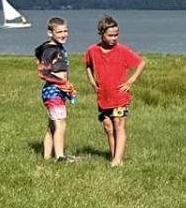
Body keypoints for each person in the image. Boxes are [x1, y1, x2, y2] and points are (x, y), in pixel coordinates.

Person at [83, 15, 146, 166]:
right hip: (103, 97)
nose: (114, 38)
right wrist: (92, 81)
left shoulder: (122, 50)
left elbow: (141, 63)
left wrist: (130, 81)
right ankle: (114, 156)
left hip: (119, 97)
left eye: (116, 35)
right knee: (108, 127)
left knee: (118, 124)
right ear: (101, 34)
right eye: (110, 35)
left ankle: (118, 159)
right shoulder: (92, 50)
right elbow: (88, 65)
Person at [35, 16, 76, 162]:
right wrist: (62, 83)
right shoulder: (50, 50)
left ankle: (47, 157)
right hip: (53, 90)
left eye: (65, 31)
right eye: (59, 32)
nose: (63, 34)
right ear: (50, 33)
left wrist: (67, 86)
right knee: (60, 123)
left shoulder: (59, 48)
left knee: (52, 125)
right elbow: (43, 72)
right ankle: (60, 157)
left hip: (58, 90)